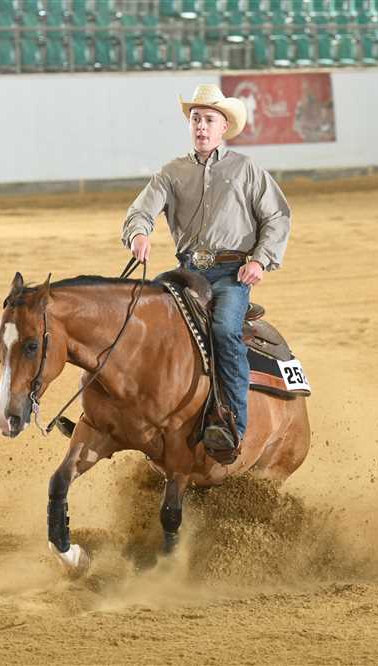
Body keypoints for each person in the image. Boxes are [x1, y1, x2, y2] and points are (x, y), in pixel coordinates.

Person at [121, 83, 292, 458]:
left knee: (225, 330)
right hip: (186, 274)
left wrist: (260, 259)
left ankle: (233, 425)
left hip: (232, 275)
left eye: (209, 120)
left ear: (223, 127)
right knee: (143, 322)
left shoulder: (245, 169)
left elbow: (277, 216)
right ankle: (127, 414)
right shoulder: (172, 172)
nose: (201, 126)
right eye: (196, 119)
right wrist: (138, 234)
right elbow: (141, 211)